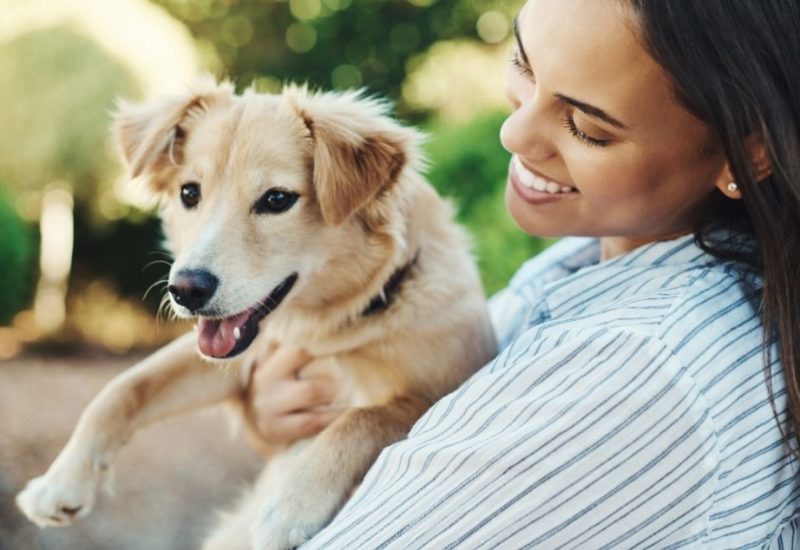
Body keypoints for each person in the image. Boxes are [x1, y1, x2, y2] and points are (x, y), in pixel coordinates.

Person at [245, 0, 800, 546]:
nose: (513, 132)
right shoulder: (586, 261)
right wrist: (308, 435)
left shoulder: (629, 370)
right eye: (524, 62)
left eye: (586, 127)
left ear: (747, 155)